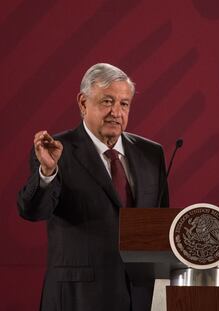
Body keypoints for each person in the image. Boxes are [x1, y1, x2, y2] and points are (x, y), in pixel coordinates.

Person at [18, 63, 169, 311]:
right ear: (82, 103)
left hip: (140, 297)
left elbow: (162, 224)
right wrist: (47, 172)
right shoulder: (55, 151)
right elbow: (33, 211)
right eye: (107, 101)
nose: (116, 112)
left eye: (124, 104)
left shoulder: (151, 154)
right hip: (76, 298)